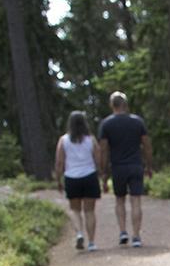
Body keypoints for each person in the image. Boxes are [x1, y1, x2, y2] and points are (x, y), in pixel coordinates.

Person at [96, 91, 154, 247]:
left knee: (120, 199)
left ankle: (123, 231)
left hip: (118, 167)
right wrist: (149, 165)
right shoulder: (137, 122)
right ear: (125, 105)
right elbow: (147, 146)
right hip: (135, 165)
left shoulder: (106, 124)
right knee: (136, 201)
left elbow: (103, 150)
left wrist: (102, 171)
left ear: (112, 105)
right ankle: (136, 236)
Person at [54, 111, 105, 251]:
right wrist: (101, 174)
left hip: (71, 177)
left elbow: (59, 162)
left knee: (75, 210)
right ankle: (92, 242)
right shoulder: (91, 139)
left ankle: (79, 233)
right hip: (89, 176)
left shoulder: (63, 140)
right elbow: (97, 158)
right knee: (90, 211)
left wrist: (59, 180)